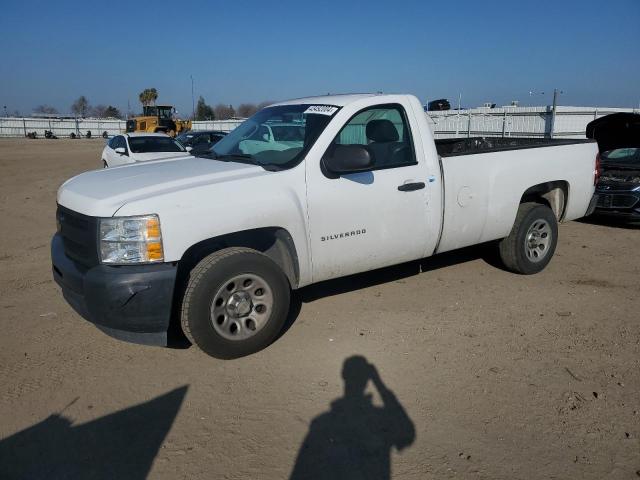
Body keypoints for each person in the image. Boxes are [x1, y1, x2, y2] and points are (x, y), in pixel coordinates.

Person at [290, 356, 415, 480]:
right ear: (367, 380)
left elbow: (301, 470)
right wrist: (379, 383)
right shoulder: (380, 418)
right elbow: (407, 433)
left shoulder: (323, 423)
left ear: (343, 375)